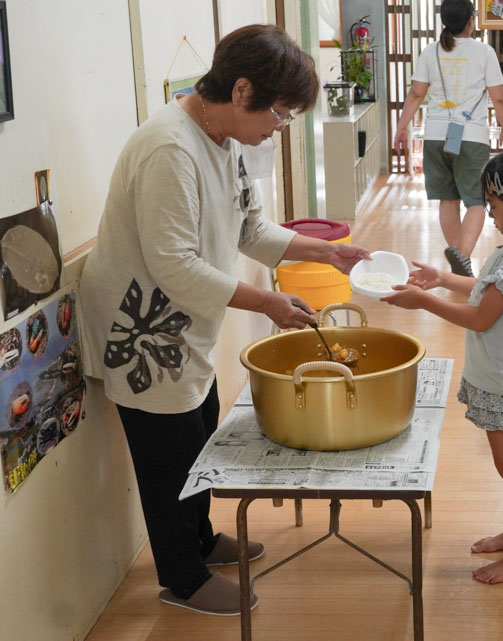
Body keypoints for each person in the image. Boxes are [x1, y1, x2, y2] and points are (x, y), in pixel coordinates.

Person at [78, 25, 369, 616]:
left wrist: (324, 251)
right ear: (241, 92)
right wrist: (267, 303)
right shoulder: (170, 148)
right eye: (280, 115)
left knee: (201, 424)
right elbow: (174, 266)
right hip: (145, 330)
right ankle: (181, 577)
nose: (277, 129)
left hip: (185, 319)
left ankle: (203, 540)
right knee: (168, 454)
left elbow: (250, 229)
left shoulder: (226, 140)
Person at [383, 147, 503, 584]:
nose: (489, 214)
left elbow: (481, 316)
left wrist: (424, 300)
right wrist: (442, 279)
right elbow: (484, 294)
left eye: (494, 206)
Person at [392, 0, 503, 277]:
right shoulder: (484, 52)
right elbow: (498, 98)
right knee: (476, 201)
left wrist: (401, 127)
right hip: (471, 136)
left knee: (447, 199)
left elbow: (415, 95)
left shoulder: (430, 52)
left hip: (435, 135)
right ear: (471, 20)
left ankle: (459, 258)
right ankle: (463, 256)